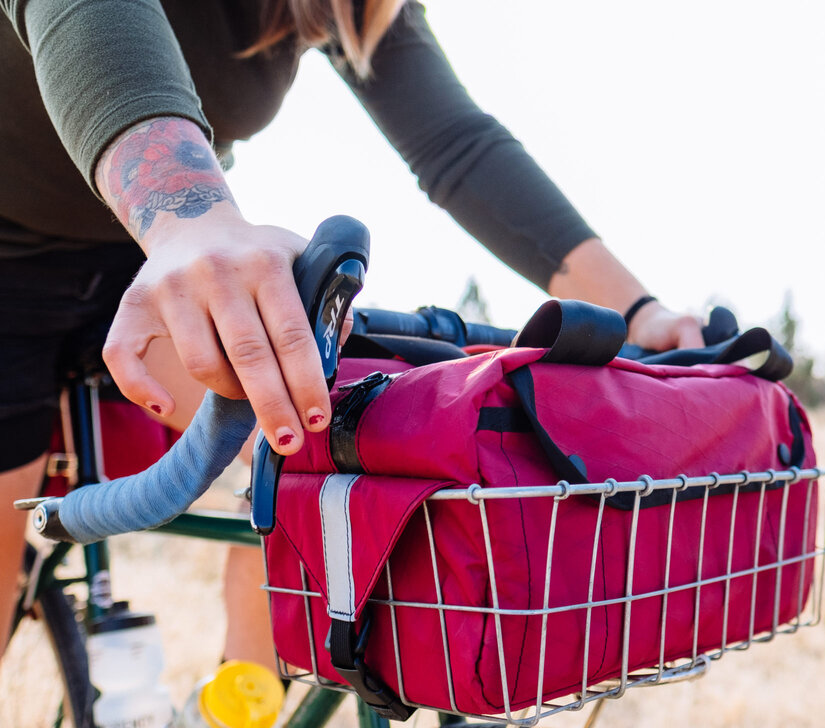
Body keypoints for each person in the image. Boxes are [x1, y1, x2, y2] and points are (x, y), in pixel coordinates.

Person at [0, 0, 705, 669]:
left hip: (141, 251)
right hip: (50, 250)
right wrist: (191, 219)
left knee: (311, 455)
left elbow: (456, 144)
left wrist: (638, 313)